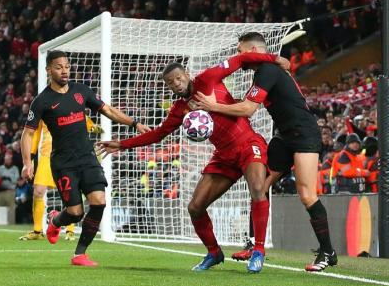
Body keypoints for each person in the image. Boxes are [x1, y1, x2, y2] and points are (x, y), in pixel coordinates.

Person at [99, 51, 288, 273]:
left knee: (257, 188)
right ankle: (214, 253)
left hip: (247, 144)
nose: (176, 84)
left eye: (178, 78)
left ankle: (258, 250)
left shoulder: (208, 79)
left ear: (187, 75)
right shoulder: (180, 110)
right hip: (223, 156)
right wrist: (122, 144)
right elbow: (158, 134)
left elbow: (240, 59)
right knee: (195, 207)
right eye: (171, 83)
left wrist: (274, 59)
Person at [194, 32, 337, 272]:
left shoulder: (268, 71)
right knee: (260, 184)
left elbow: (249, 109)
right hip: (283, 136)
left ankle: (327, 252)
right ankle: (253, 244)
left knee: (306, 194)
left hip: (303, 134)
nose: (238, 57)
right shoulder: (266, 70)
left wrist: (212, 106)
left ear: (252, 50)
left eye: (241, 52)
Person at [20, 50, 148, 267]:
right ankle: (55, 220)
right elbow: (28, 133)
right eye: (59, 67)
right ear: (48, 70)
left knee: (99, 202)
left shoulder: (81, 91)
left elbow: (107, 110)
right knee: (75, 213)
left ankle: (80, 254)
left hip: (87, 158)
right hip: (63, 163)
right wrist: (26, 162)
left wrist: (134, 124)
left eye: (67, 66)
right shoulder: (42, 101)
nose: (64, 71)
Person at [19, 121, 80, 242]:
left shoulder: (70, 104)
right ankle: (37, 231)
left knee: (69, 191)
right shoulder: (44, 106)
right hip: (46, 156)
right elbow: (35, 134)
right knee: (38, 191)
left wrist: (92, 126)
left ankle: (70, 230)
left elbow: (80, 120)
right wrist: (30, 158)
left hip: (66, 155)